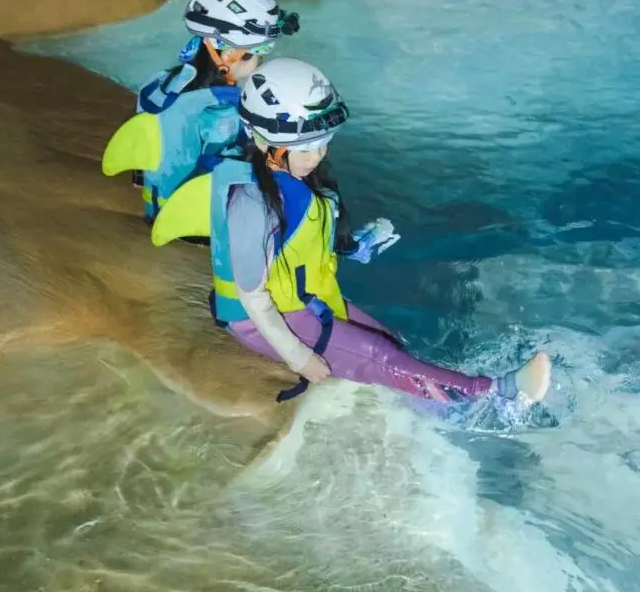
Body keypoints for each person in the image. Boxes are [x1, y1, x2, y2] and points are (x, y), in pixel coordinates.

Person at [150, 58, 552, 406]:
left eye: (323, 144)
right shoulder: (252, 204)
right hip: (264, 320)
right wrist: (298, 356)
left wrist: (356, 244)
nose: (318, 156)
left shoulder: (292, 176)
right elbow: (252, 296)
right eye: (307, 148)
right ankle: (498, 391)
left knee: (388, 339)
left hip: (305, 299)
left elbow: (301, 244)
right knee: (380, 355)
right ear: (266, 141)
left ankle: (434, 404)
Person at [103, 0, 300, 223]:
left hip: (159, 201)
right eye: (258, 53)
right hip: (193, 221)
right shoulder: (222, 114)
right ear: (228, 54)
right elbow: (231, 173)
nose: (261, 61)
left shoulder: (164, 82)